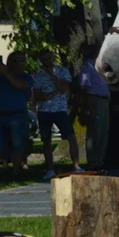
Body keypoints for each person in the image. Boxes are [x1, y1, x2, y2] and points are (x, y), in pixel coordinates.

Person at [32, 49, 82, 180]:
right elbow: (37, 95)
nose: (47, 61)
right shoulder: (38, 75)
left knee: (71, 137)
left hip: (60, 109)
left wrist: (52, 75)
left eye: (49, 58)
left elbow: (63, 88)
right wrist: (46, 95)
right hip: (45, 111)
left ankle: (76, 166)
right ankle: (50, 169)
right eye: (44, 59)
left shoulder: (62, 71)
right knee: (46, 140)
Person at [77, 44, 111, 171]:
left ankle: (100, 160)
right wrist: (89, 106)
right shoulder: (87, 67)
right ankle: (92, 161)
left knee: (103, 130)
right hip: (94, 99)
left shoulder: (100, 67)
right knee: (95, 131)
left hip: (104, 99)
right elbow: (84, 87)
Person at [0, 52, 33, 177]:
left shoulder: (25, 77)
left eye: (22, 61)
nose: (19, 64)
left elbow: (21, 86)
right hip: (1, 115)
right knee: (2, 145)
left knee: (18, 144)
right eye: (15, 61)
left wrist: (6, 73)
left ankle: (15, 171)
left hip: (17, 115)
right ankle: (5, 166)